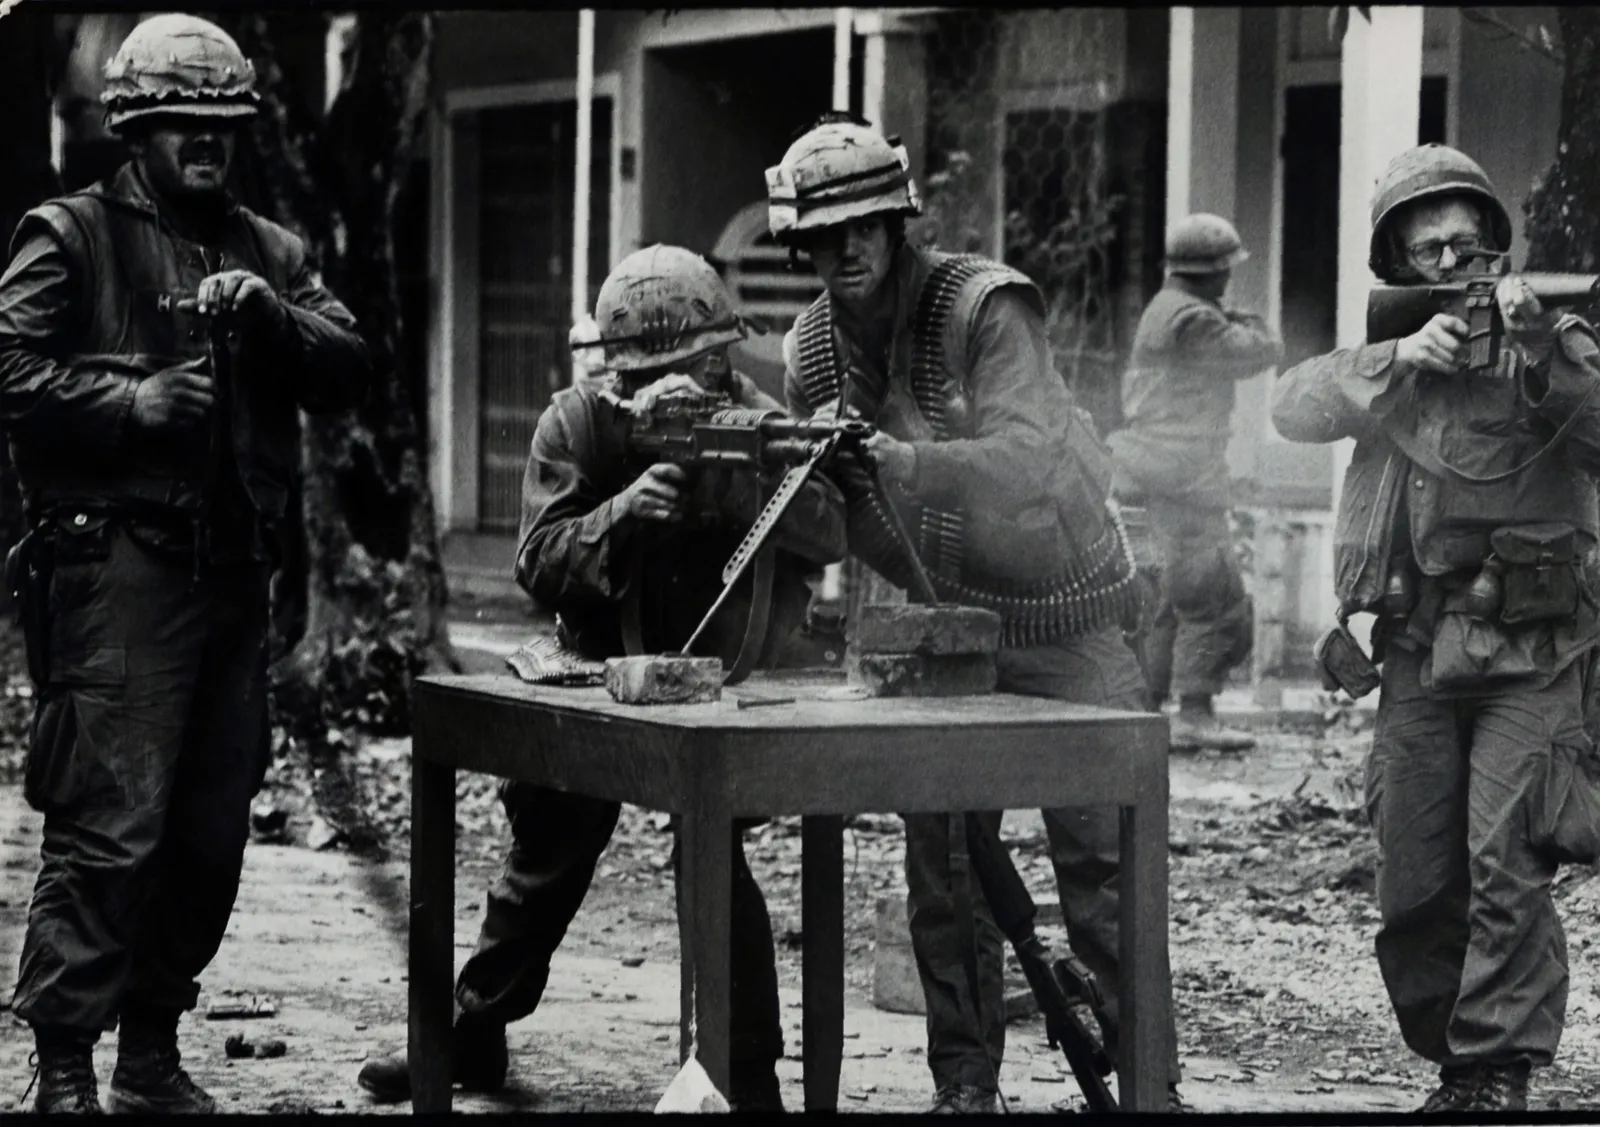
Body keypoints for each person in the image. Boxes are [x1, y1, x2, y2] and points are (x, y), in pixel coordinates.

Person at [356, 244, 847, 1112]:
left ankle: (749, 1071)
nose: (685, 390)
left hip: (724, 676)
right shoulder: (577, 423)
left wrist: (744, 489)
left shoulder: (758, 421)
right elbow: (537, 558)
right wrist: (624, 513)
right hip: (595, 667)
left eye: (702, 367)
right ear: (618, 375)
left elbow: (832, 531)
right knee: (549, 843)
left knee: (713, 850)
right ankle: (472, 1029)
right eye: (657, 375)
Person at [768, 112, 1186, 1114]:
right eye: (822, 238)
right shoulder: (812, 354)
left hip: (1069, 619)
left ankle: (1148, 1091)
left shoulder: (983, 306)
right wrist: (803, 485)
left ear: (899, 221)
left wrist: (906, 462)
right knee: (943, 871)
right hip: (943, 633)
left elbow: (1036, 456)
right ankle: (964, 1087)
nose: (844, 250)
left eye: (862, 226)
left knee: (1103, 870)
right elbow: (845, 532)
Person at [0, 14, 371, 1114]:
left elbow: (347, 364)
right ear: (136, 128)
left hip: (231, 579)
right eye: (180, 126)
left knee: (211, 831)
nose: (205, 145)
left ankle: (149, 1053)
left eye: (222, 127)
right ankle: (63, 1061)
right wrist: (133, 399)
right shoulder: (68, 233)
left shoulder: (275, 250)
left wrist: (273, 324)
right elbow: (10, 371)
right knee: (111, 824)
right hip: (113, 569)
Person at [1271, 142, 1600, 1113]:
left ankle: (1491, 1066)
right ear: (1399, 266)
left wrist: (1544, 351)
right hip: (1414, 651)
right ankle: (1451, 1041)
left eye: (1467, 245)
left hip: (1530, 649)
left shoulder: (1555, 339)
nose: (1455, 266)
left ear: (1497, 246)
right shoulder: (1390, 356)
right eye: (1429, 252)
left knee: (1507, 863)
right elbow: (1290, 407)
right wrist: (1392, 357)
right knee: (1413, 878)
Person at [1110, 214, 1282, 750]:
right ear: (1213, 273)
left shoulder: (1167, 309)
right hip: (1183, 477)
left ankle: (1152, 708)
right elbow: (1264, 348)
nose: (1230, 281)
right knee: (1213, 595)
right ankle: (1194, 713)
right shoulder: (1194, 321)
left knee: (1168, 601)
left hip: (1154, 472)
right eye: (1226, 272)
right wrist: (1238, 314)